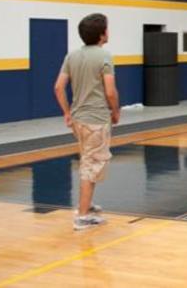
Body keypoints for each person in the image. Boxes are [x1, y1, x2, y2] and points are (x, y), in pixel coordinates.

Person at [53, 13, 119, 231]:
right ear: (102, 34)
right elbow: (110, 91)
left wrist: (67, 113)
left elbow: (58, 87)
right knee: (91, 166)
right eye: (107, 28)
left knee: (88, 160)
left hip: (78, 120)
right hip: (96, 120)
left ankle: (86, 206)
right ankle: (82, 217)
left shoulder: (71, 56)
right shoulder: (105, 56)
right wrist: (115, 111)